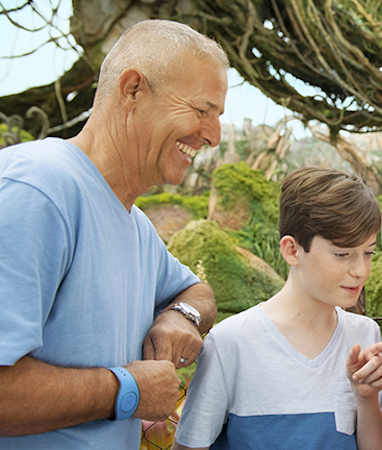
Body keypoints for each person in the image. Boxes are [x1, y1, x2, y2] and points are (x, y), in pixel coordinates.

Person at [0, 20, 225, 449]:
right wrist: (126, 391)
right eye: (202, 110)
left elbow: (198, 292)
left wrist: (181, 316)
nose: (212, 135)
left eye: (218, 116)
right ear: (133, 89)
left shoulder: (134, 222)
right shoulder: (38, 190)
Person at [173, 167, 382, 450]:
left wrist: (366, 400)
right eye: (342, 254)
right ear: (292, 250)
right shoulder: (231, 343)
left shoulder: (364, 334)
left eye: (368, 252)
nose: (360, 270)